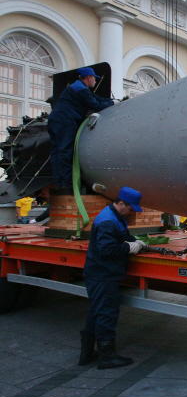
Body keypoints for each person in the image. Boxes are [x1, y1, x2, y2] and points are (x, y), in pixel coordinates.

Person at [80, 187, 146, 369]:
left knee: (96, 312)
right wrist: (128, 248)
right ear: (121, 203)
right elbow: (106, 249)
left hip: (99, 273)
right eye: (131, 208)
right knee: (107, 313)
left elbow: (123, 236)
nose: (132, 212)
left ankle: (86, 354)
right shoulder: (108, 221)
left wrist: (136, 242)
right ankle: (107, 356)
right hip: (102, 274)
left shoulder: (116, 216)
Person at [48, 67, 116, 190]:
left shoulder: (77, 87)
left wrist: (113, 101)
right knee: (65, 152)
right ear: (89, 77)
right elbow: (95, 104)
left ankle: (60, 184)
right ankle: (66, 186)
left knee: (57, 153)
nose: (95, 81)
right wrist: (113, 104)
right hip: (65, 121)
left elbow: (97, 98)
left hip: (55, 120)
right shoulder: (80, 90)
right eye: (94, 78)